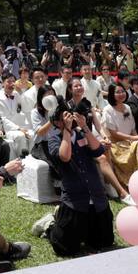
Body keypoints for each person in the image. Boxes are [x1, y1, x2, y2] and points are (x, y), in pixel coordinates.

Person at [44, 101, 114, 256]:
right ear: (57, 122)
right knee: (65, 248)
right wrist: (67, 130)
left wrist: (85, 127)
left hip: (96, 197)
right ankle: (49, 225)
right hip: (75, 199)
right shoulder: (54, 138)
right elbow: (65, 156)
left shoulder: (82, 133)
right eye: (65, 117)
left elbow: (98, 150)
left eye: (70, 115)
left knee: (105, 242)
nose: (70, 118)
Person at [0, 74, 32, 159]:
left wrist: (20, 91)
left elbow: (25, 107)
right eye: (8, 82)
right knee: (20, 136)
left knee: (32, 133)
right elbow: (1, 119)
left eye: (13, 81)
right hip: (6, 129)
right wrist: (18, 128)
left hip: (19, 125)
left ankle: (30, 158)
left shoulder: (16, 94)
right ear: (2, 83)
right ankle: (21, 161)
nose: (11, 84)